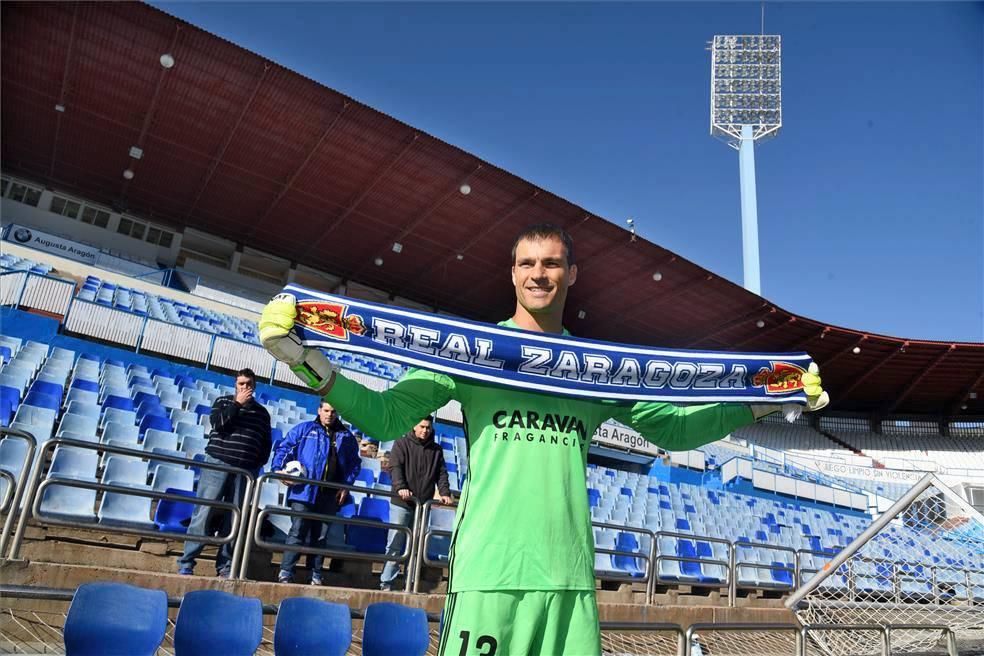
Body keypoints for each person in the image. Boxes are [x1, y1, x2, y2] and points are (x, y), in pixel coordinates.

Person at [259, 223, 828, 655]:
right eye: (527, 264)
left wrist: (759, 400)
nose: (538, 274)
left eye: (552, 264)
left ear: (571, 275)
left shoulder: (594, 368)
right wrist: (308, 363)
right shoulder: (471, 352)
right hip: (489, 576)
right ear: (511, 274)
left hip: (569, 581)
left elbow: (676, 428)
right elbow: (385, 419)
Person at [177, 368, 271, 577]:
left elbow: (266, 444)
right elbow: (218, 424)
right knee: (204, 512)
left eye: (248, 384)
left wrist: (255, 465)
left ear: (254, 386)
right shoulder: (223, 402)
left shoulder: (262, 413)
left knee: (234, 519)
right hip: (218, 464)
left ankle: (225, 566)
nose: (245, 387)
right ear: (235, 385)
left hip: (245, 471)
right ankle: (187, 562)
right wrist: (237, 403)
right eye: (241, 384)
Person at [271, 401, 361, 584]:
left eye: (333, 411)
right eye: (326, 410)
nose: (329, 414)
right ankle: (286, 572)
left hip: (329, 494)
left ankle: (315, 574)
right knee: (297, 531)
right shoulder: (305, 429)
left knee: (320, 536)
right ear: (319, 410)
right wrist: (277, 469)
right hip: (303, 491)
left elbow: (354, 464)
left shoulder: (346, 436)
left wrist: (346, 484)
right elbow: (284, 447)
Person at [379, 415, 453, 591]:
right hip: (402, 503)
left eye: (427, 427)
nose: (424, 430)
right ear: (414, 426)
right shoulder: (401, 444)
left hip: (423, 505)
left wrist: (444, 492)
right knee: (395, 543)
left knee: (416, 546)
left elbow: (441, 474)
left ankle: (410, 583)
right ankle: (386, 583)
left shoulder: (436, 450)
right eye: (421, 427)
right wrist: (401, 487)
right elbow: (395, 467)